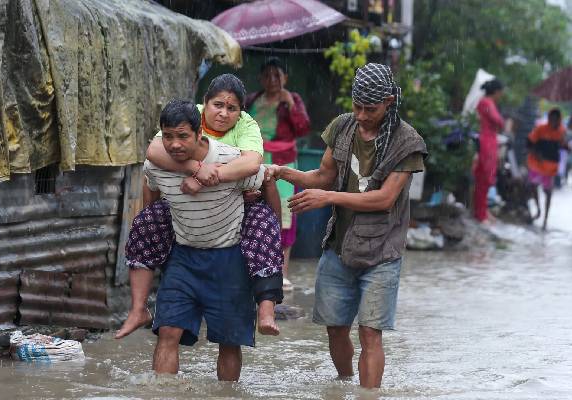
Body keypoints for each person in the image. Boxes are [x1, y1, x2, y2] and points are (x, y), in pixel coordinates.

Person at [266, 63, 427, 389]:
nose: (363, 115)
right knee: (335, 327)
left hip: (383, 251)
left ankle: (368, 395)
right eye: (357, 107)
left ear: (390, 101)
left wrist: (329, 197)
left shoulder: (407, 142)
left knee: (370, 332)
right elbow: (323, 175)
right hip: (338, 246)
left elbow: (384, 199)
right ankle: (344, 383)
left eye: (371, 108)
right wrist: (283, 172)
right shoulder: (343, 126)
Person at [115, 74, 284, 340]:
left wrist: (207, 178)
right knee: (146, 221)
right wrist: (195, 169)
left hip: (240, 198)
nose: (224, 113)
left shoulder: (247, 126)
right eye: (218, 105)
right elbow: (154, 151)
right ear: (204, 105)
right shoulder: (186, 117)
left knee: (265, 225)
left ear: (240, 112)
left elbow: (253, 165)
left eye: (232, 108)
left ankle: (267, 309)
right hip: (186, 209)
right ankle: (138, 309)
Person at [144, 99, 268, 380]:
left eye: (183, 136)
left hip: (228, 258)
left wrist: (267, 242)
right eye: (168, 137)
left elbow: (262, 180)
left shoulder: (230, 159)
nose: (174, 144)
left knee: (229, 340)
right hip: (183, 256)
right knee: (167, 331)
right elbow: (149, 190)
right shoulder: (156, 164)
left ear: (200, 134)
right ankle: (162, 394)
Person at [246, 57, 311, 289]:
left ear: (285, 78)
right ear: (260, 79)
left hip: (283, 164)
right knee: (254, 208)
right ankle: (256, 267)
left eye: (277, 75)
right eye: (267, 75)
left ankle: (281, 271)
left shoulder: (292, 100)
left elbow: (303, 128)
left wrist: (291, 105)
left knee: (284, 213)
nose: (272, 80)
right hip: (255, 160)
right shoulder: (252, 99)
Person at [527, 108, 570, 230]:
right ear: (549, 118)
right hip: (536, 164)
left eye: (556, 120)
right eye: (552, 119)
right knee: (533, 187)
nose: (554, 122)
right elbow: (529, 143)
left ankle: (545, 219)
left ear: (559, 120)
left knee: (548, 192)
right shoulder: (540, 129)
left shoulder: (562, 131)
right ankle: (538, 210)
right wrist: (536, 154)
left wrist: (566, 145)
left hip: (550, 167)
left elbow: (563, 145)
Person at [473, 79, 504, 223]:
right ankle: (480, 213)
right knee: (484, 178)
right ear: (497, 91)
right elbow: (498, 121)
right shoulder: (486, 102)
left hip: (489, 141)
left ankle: (483, 211)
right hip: (487, 141)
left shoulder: (487, 102)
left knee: (485, 178)